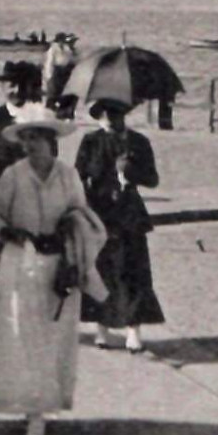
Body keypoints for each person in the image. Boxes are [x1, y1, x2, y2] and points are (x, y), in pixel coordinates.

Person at [0, 104, 105, 435]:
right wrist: (16, 234)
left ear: (52, 141)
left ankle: (44, 407)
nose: (30, 145)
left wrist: (69, 226)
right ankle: (31, 411)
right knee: (23, 334)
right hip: (21, 264)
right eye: (26, 138)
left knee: (54, 336)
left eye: (37, 138)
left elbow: (82, 215)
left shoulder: (68, 176)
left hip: (58, 266)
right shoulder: (13, 175)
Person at [77, 98, 166, 352]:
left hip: (128, 214)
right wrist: (86, 189)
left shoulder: (138, 142)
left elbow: (152, 179)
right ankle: (102, 328)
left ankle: (133, 331)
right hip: (99, 213)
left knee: (132, 272)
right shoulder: (91, 142)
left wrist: (129, 174)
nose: (108, 119)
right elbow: (77, 175)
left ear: (123, 114)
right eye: (102, 114)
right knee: (101, 271)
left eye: (114, 113)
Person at [0, 61, 40, 215]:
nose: (17, 90)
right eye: (12, 85)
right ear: (2, 87)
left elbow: (50, 158)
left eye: (22, 85)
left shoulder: (40, 120)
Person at [42, 32, 76, 110]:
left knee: (62, 91)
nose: (62, 41)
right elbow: (49, 62)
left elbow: (70, 59)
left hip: (64, 71)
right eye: (61, 40)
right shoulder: (53, 49)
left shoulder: (66, 48)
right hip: (56, 71)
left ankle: (61, 107)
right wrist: (49, 74)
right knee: (54, 91)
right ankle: (50, 106)